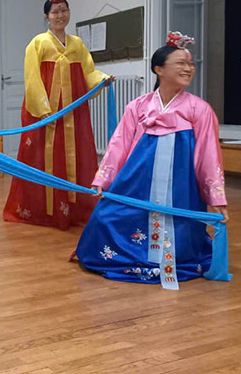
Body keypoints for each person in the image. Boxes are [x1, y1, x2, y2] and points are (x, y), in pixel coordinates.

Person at [74, 32, 228, 289]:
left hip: (181, 189)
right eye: (181, 63)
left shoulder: (199, 109)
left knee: (181, 230)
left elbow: (209, 156)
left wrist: (216, 199)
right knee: (105, 217)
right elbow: (119, 145)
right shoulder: (138, 106)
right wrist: (103, 180)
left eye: (190, 64)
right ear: (159, 69)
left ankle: (169, 259)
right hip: (137, 184)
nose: (188, 69)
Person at [2, 0, 112, 230]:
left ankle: (75, 208)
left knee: (74, 156)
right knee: (42, 157)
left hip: (73, 112)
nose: (60, 15)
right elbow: (32, 79)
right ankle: (43, 209)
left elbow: (88, 73)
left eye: (63, 10)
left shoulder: (77, 44)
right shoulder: (38, 43)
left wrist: (102, 79)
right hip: (46, 113)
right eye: (55, 12)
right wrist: (43, 109)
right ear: (47, 17)